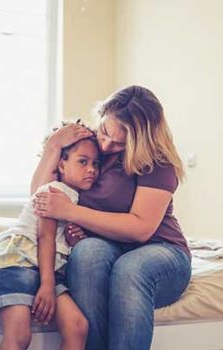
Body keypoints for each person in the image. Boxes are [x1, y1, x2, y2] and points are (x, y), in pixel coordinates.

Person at [32, 85, 192, 350]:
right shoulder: (86, 146)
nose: (106, 145)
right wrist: (53, 147)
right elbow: (40, 198)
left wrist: (72, 212)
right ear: (101, 116)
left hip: (161, 251)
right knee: (87, 253)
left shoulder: (157, 163)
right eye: (104, 132)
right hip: (110, 247)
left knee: (130, 269)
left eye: (120, 143)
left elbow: (141, 228)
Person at [0, 137, 100, 350]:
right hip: (17, 258)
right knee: (19, 335)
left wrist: (73, 240)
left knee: (77, 326)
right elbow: (44, 237)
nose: (91, 169)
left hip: (45, 266)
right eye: (83, 161)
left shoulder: (76, 199)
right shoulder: (54, 191)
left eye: (96, 163)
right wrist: (47, 285)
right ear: (62, 165)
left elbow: (57, 239)